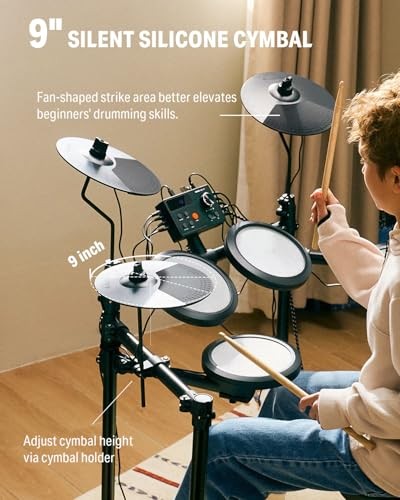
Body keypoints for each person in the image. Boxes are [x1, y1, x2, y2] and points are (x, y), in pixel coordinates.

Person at [175, 72, 400, 499]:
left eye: (365, 162)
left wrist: (342, 407)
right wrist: (334, 229)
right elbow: (382, 286)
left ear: (396, 178)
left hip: (389, 455)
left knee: (219, 451)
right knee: (281, 396)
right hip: (386, 399)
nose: (362, 169)